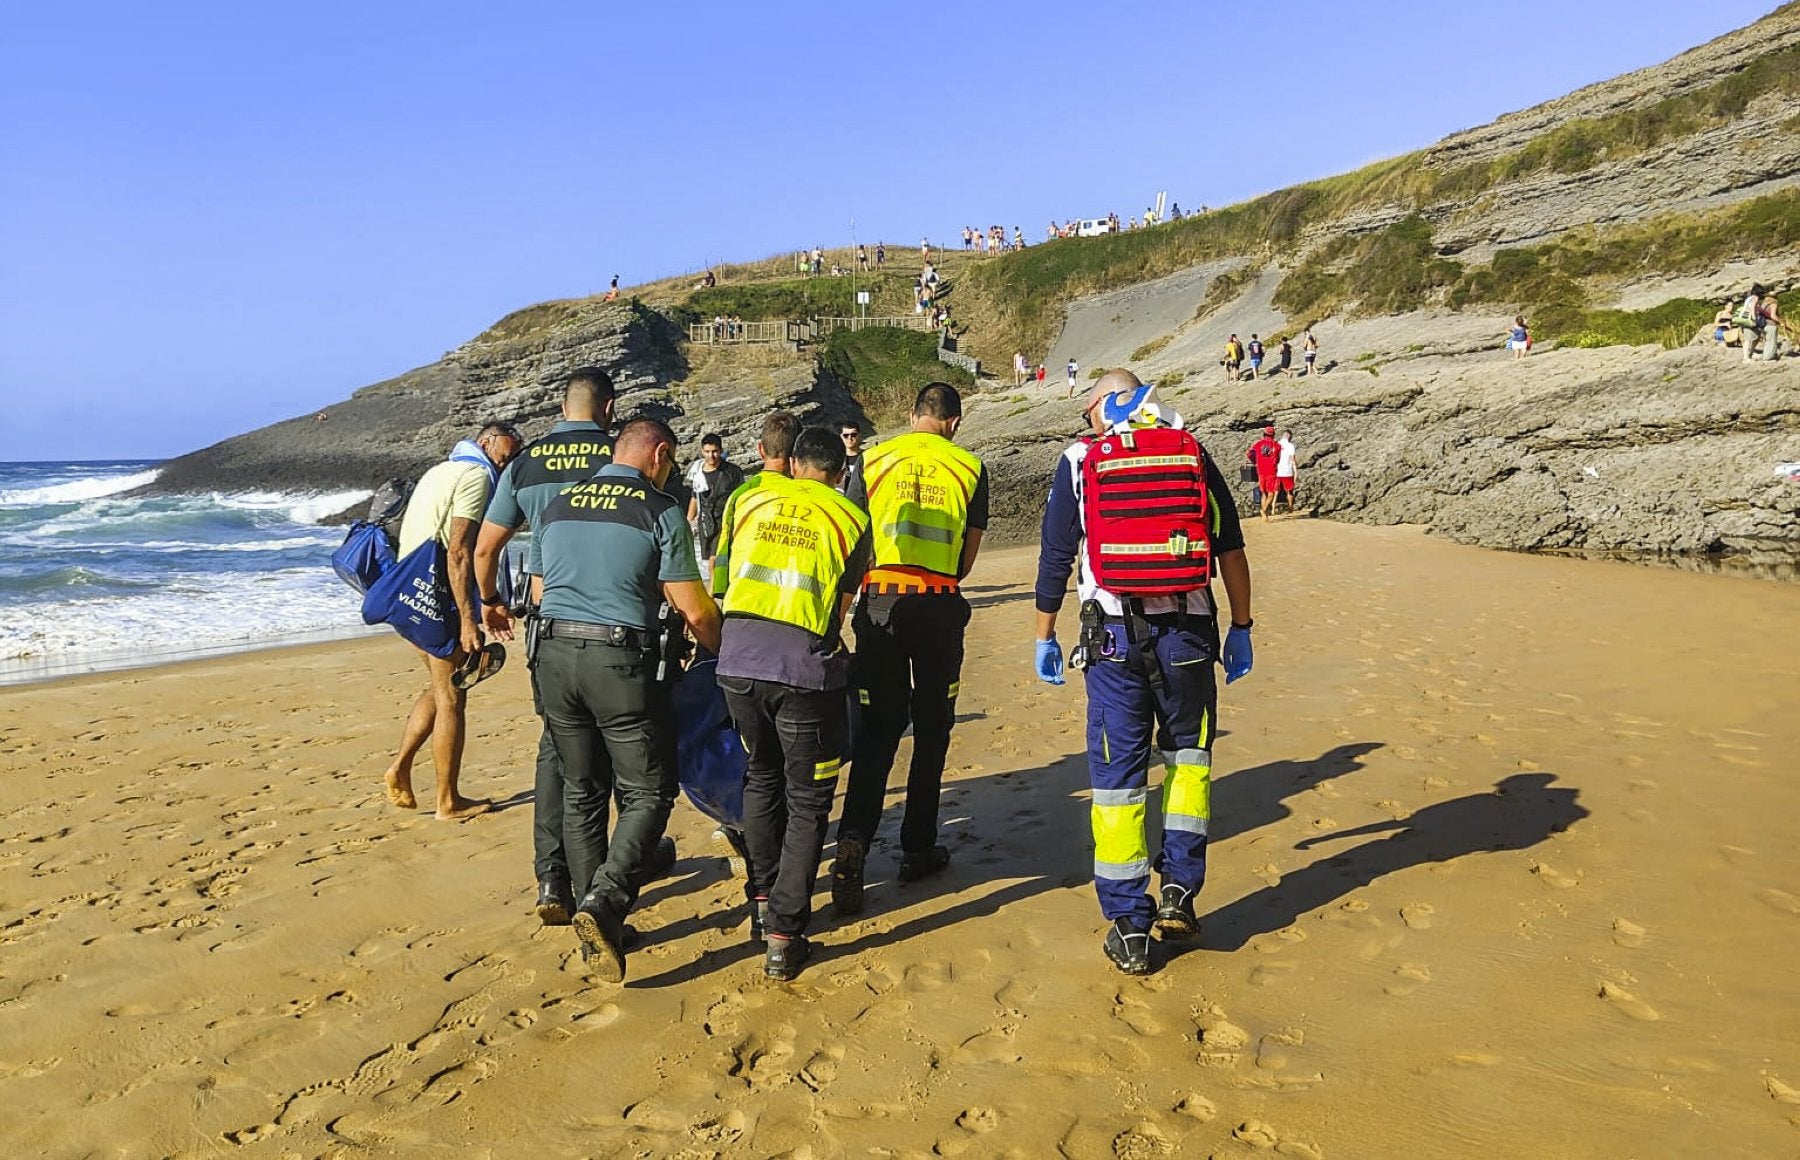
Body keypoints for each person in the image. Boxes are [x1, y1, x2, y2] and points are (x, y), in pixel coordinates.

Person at [1032, 371, 1253, 974]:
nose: (1086, 422)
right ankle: (1180, 890)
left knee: (1117, 781)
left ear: (1109, 404)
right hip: (1189, 635)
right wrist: (1242, 627)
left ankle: (1129, 924)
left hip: (1112, 645)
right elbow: (1229, 548)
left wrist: (1045, 635)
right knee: (1189, 763)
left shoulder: (1082, 459)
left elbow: (1056, 554)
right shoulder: (1190, 451)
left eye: (1088, 410)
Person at [533, 418, 722, 982]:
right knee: (649, 790)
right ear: (659, 454)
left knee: (581, 789)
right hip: (618, 662)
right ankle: (606, 903)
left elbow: (542, 591)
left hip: (550, 654)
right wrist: (725, 652)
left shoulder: (559, 505)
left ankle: (600, 928)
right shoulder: (659, 509)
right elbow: (692, 608)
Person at [714, 428, 873, 980]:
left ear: (794, 462)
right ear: (837, 471)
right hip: (802, 668)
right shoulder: (849, 518)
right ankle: (784, 933)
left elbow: (721, 575)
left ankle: (762, 901)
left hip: (735, 658)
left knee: (761, 776)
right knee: (807, 800)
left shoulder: (749, 497)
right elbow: (843, 605)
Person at [832, 384, 987, 915]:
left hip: (879, 606)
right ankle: (917, 847)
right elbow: (966, 558)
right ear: (955, 422)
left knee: (877, 733)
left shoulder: (873, 459)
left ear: (912, 415)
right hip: (938, 607)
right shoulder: (968, 466)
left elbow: (851, 542)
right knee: (932, 730)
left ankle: (853, 838)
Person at [472, 370, 617, 924]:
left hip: (549, 619)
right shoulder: (622, 454)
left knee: (558, 746)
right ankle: (616, 867)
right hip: (617, 618)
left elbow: (486, 549)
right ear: (607, 408)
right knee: (623, 747)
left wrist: (490, 602)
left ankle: (551, 875)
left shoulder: (526, 463)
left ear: (562, 405)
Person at [382, 421, 523, 820]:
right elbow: (459, 552)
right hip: (436, 600)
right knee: (452, 696)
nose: (505, 463)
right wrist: (467, 619)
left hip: (405, 595)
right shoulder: (477, 477)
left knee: (440, 685)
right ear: (485, 443)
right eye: (503, 455)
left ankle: (400, 767)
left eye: (511, 457)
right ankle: (447, 801)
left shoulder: (440, 470)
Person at [686, 433, 747, 588]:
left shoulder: (732, 472)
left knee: (714, 561)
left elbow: (741, 497)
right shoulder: (698, 472)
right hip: (706, 522)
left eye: (714, 451)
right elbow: (695, 497)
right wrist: (688, 520)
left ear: (720, 450)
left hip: (725, 522)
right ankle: (719, 589)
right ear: (701, 451)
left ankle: (713, 595)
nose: (711, 456)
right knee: (708, 562)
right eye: (707, 452)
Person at [1247, 426, 1282, 522]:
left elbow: (1249, 453)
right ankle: (1264, 510)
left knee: (1264, 493)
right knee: (1271, 493)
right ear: (1273, 435)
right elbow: (1278, 459)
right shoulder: (1277, 446)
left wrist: (1255, 461)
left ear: (1264, 434)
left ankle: (1265, 516)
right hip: (1271, 471)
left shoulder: (1258, 444)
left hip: (1261, 471)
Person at [838, 421, 868, 507]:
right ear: (841, 437)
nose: (850, 438)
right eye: (846, 435)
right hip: (840, 506)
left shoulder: (868, 457)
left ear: (859, 436)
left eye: (853, 435)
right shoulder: (836, 459)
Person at [1274, 430, 1298, 513]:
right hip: (1288, 471)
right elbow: (1292, 459)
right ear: (1288, 436)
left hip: (1278, 471)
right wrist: (1295, 471)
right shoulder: (1291, 445)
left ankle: (1273, 507)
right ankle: (1290, 507)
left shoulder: (1276, 444)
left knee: (1276, 491)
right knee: (1289, 491)